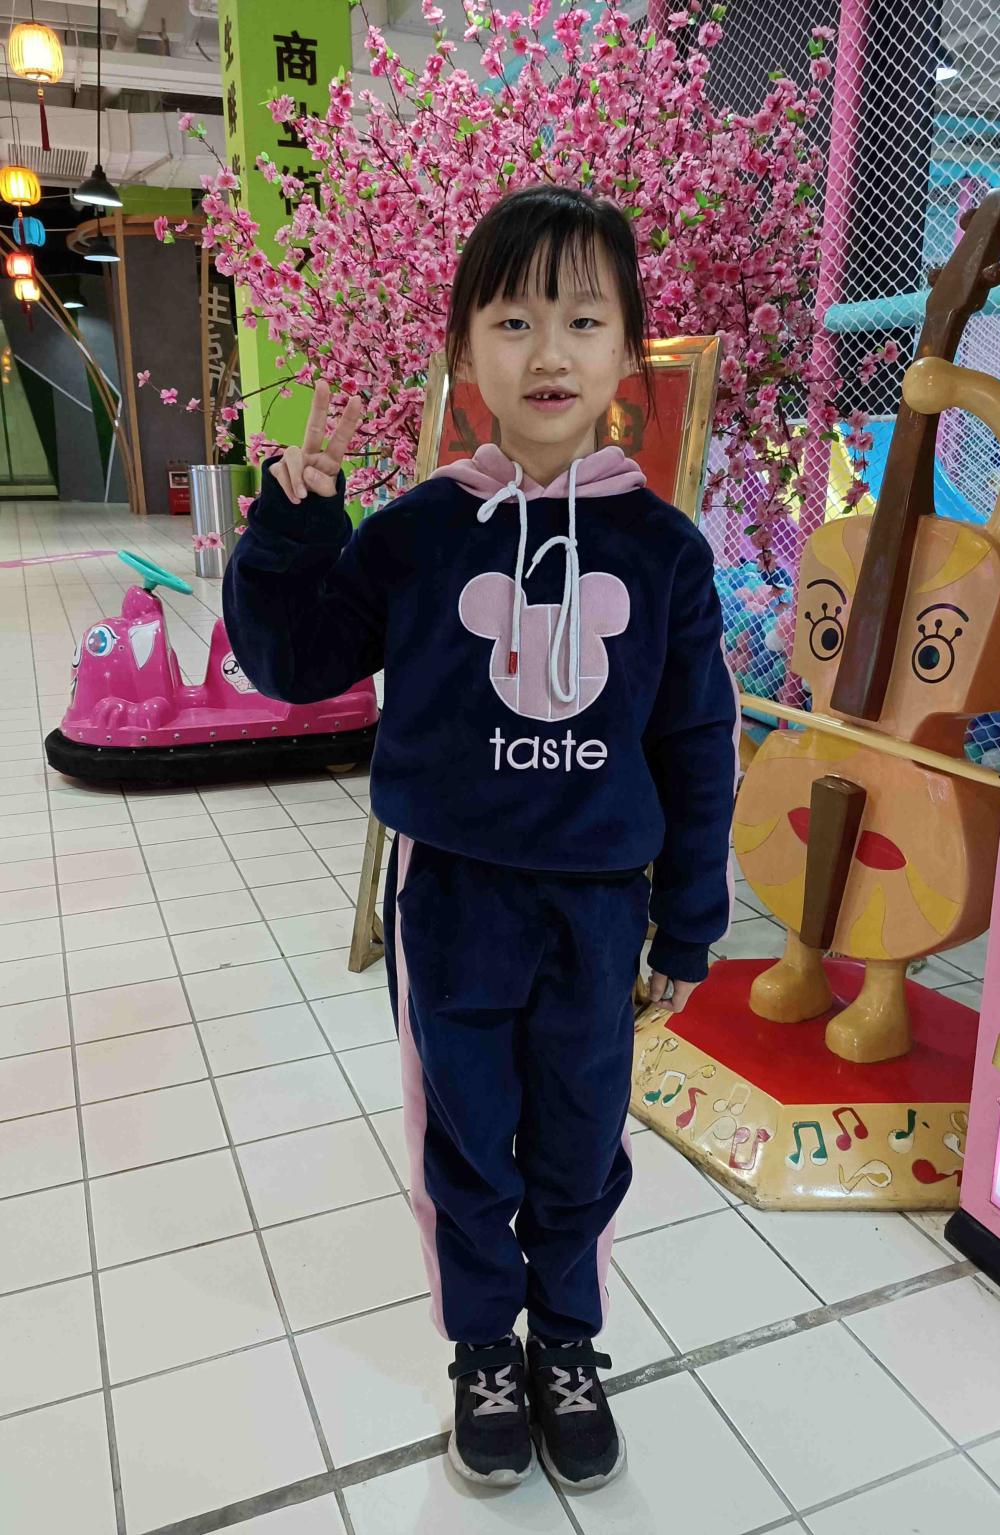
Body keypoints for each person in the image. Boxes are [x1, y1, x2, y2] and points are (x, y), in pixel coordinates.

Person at [223, 183, 738, 1493]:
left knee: (580, 1136)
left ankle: (564, 1341)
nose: (548, 352)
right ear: (462, 348)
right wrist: (297, 522)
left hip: (599, 906)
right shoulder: (414, 534)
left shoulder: (665, 552)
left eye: (583, 319)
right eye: (513, 320)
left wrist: (689, 920)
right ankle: (483, 1351)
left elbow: (695, 744)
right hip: (451, 898)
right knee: (463, 1137)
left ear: (628, 350)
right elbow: (296, 664)